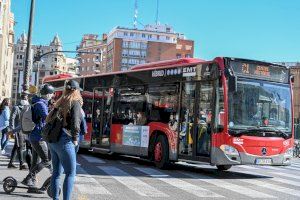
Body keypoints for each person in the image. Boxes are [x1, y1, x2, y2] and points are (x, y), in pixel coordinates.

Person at [49, 80, 82, 200]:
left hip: (53, 141)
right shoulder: (75, 102)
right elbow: (76, 123)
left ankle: (55, 199)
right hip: (64, 140)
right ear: (75, 91)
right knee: (70, 173)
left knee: (56, 173)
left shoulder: (60, 102)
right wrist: (75, 139)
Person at [21, 84, 55, 187]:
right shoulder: (41, 104)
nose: (52, 96)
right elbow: (47, 119)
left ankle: (31, 181)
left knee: (35, 161)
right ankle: (28, 178)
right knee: (46, 160)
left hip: (35, 136)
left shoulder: (38, 102)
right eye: (51, 93)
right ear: (48, 94)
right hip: (38, 137)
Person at [7, 94, 29, 169]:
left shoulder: (26, 107)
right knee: (20, 146)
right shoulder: (16, 107)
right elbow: (12, 118)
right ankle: (21, 164)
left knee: (16, 146)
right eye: (25, 98)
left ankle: (11, 163)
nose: (26, 99)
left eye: (27, 98)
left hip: (23, 129)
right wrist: (12, 130)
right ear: (21, 99)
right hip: (17, 130)